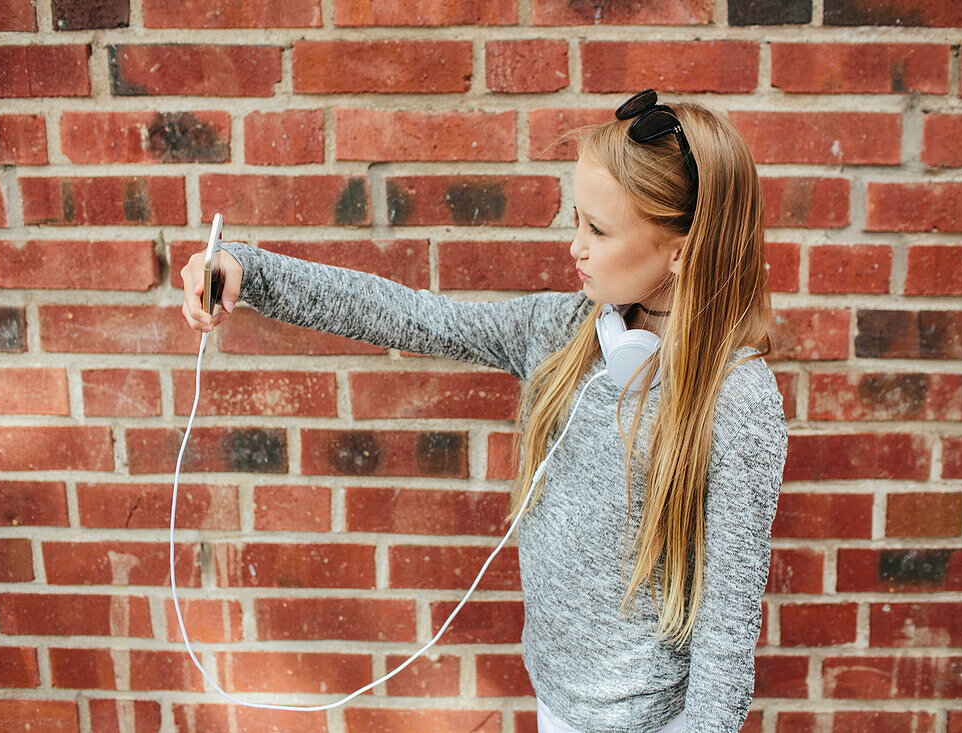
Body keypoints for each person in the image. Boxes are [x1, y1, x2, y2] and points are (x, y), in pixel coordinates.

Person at [181, 89, 787, 733]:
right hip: (555, 702)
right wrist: (252, 272)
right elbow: (415, 316)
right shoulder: (561, 332)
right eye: (576, 220)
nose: (574, 248)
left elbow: (728, 639)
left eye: (598, 230)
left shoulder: (737, 400)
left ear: (681, 250)